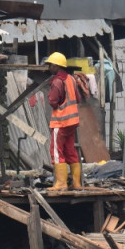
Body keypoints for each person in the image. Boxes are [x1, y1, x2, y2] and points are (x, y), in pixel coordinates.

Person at [45, 52, 82, 190]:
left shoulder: (57, 81)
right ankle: (76, 183)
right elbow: (78, 98)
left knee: (56, 151)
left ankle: (61, 183)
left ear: (56, 66)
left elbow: (53, 101)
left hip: (61, 121)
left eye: (50, 65)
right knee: (70, 150)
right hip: (72, 122)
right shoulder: (71, 79)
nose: (49, 67)